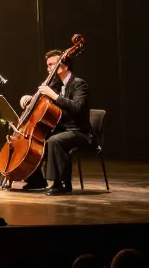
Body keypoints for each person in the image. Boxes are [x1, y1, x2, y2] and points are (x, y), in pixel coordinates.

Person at [19, 49, 94, 195]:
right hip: (61, 129)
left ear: (65, 65)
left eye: (52, 64)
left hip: (79, 131)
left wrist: (55, 96)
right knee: (35, 139)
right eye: (47, 65)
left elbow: (78, 108)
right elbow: (42, 104)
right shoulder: (55, 84)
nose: (49, 68)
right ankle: (36, 180)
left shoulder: (79, 84)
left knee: (54, 141)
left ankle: (61, 184)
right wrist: (29, 99)